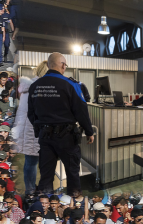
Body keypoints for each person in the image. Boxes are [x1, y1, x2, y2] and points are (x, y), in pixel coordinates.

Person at [27, 52, 94, 196]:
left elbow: (31, 113)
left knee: (46, 175)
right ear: (63, 66)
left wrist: (42, 127)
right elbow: (81, 111)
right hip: (67, 137)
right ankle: (73, 203)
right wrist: (89, 131)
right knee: (72, 173)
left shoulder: (35, 86)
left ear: (48, 65)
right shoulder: (71, 84)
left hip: (45, 137)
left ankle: (45, 205)